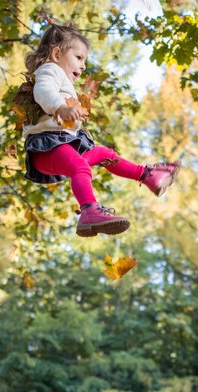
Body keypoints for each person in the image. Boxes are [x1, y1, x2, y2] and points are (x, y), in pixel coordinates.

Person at [21, 24, 180, 237]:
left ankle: (147, 175)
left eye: (84, 60)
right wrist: (60, 107)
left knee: (104, 154)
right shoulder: (50, 70)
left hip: (62, 145)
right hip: (47, 147)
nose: (83, 65)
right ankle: (89, 210)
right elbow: (43, 91)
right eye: (78, 57)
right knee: (80, 167)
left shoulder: (62, 77)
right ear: (57, 53)